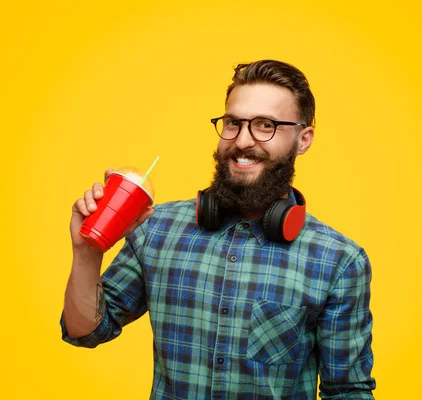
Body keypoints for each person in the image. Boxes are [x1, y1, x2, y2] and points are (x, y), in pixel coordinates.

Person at [60, 60, 376, 399]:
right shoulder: (156, 230)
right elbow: (85, 331)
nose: (242, 141)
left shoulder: (338, 261)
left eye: (265, 125)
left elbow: (347, 391)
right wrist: (87, 252)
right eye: (233, 123)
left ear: (303, 139)